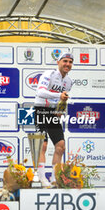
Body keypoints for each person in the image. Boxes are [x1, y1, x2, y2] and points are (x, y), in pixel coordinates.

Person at [34, 52, 73, 187]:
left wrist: (60, 110)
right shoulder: (49, 74)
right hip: (41, 110)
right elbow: (40, 92)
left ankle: (54, 178)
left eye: (70, 62)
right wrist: (58, 95)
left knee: (60, 146)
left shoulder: (68, 81)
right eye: (65, 61)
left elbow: (62, 100)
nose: (67, 64)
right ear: (58, 62)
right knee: (42, 145)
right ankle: (41, 177)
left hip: (53, 113)